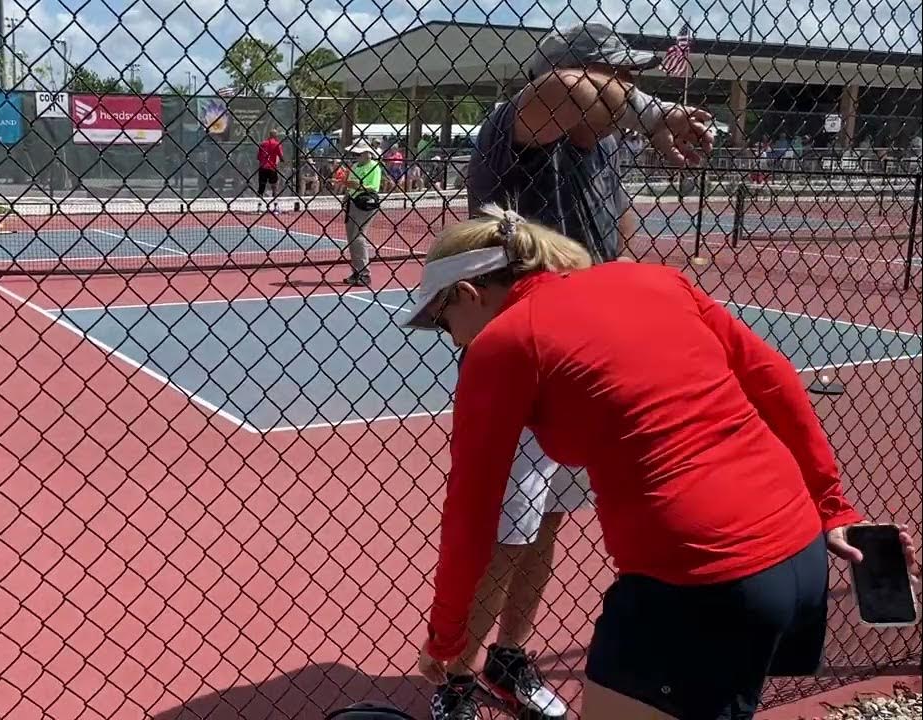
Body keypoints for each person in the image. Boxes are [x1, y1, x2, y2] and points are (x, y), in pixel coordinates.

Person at [403, 206, 919, 719]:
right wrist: (833, 507)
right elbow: (776, 379)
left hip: (698, 580)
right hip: (798, 558)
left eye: (444, 321)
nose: (453, 339)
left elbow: (472, 510)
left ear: (469, 293)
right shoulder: (650, 278)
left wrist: (447, 636)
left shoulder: (503, 343)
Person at [440, 22, 717, 719]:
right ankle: (454, 682)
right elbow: (563, 88)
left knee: (549, 522)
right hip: (519, 373)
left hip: (581, 372)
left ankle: (509, 657)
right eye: (618, 80)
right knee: (502, 535)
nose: (630, 94)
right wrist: (656, 115)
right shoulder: (518, 132)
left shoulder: (606, 152)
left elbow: (618, 249)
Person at [341, 140, 382, 287]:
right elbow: (349, 184)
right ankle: (357, 271)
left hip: (365, 204)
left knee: (359, 237)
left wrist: (359, 186)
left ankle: (365, 273)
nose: (356, 156)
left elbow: (373, 187)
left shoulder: (374, 167)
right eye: (355, 153)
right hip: (352, 202)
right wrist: (347, 193)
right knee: (352, 238)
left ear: (367, 153)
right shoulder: (354, 166)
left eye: (358, 153)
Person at [257, 128, 285, 198]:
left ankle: (260, 196)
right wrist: (282, 160)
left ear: (269, 135)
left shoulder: (263, 144)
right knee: (274, 183)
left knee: (262, 184)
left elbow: (258, 157)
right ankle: (274, 195)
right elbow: (281, 156)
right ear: (276, 136)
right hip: (272, 167)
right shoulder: (277, 144)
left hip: (263, 166)